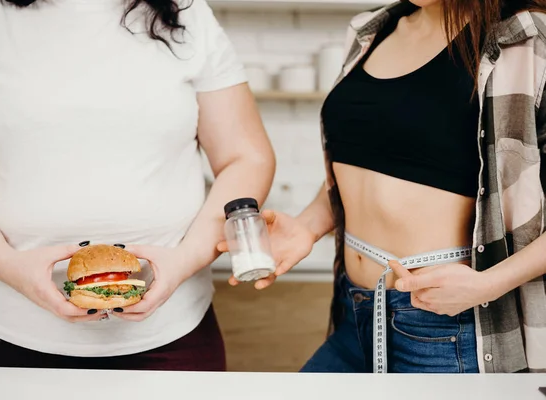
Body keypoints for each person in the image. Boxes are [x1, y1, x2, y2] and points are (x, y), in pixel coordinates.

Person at [0, 0, 275, 370]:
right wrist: (7, 266)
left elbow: (246, 157)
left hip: (170, 334)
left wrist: (185, 261)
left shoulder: (188, 12)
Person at [220, 0, 546, 373]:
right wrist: (307, 227)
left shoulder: (527, 38)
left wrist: (489, 284)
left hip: (446, 326)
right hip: (354, 310)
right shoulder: (371, 30)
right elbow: (368, 165)